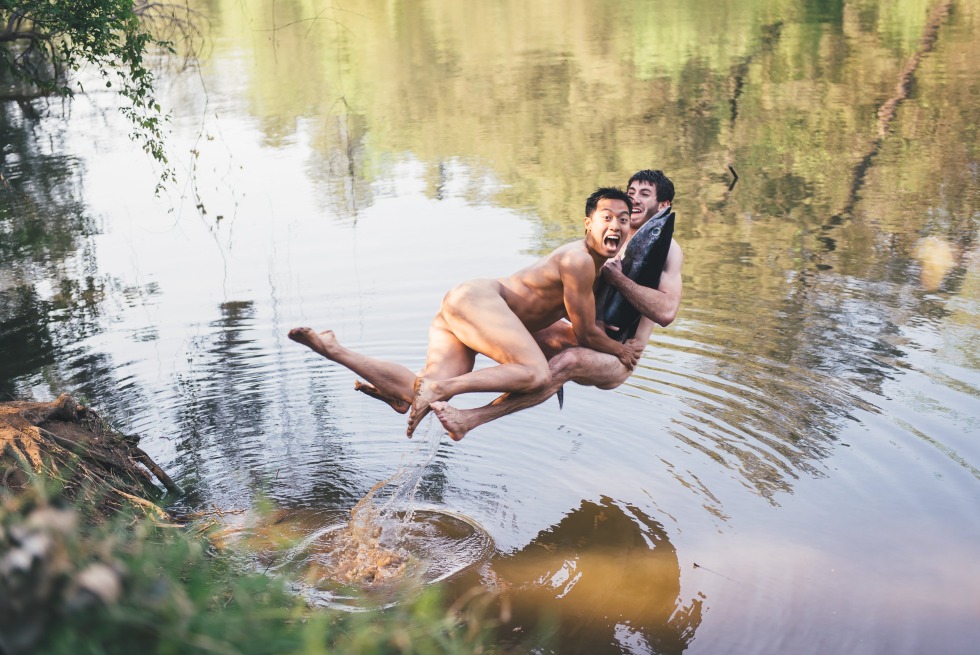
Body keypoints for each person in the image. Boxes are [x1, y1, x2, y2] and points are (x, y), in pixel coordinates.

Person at [289, 187, 645, 436]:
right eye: (606, 217)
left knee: (418, 392)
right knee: (536, 374)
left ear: (630, 228)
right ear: (588, 223)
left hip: (464, 309)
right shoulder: (579, 260)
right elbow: (583, 334)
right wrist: (621, 351)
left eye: (623, 219)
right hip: (478, 301)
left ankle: (335, 349)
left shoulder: (595, 267)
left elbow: (578, 327)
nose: (615, 224)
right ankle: (443, 387)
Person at [427, 169, 683, 440]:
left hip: (620, 356)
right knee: (497, 320)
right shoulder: (610, 232)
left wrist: (617, 279)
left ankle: (469, 419)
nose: (634, 200)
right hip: (585, 335)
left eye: (644, 194)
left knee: (568, 361)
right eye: (630, 193)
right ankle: (414, 391)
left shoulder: (666, 249)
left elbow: (666, 312)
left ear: (663, 206)